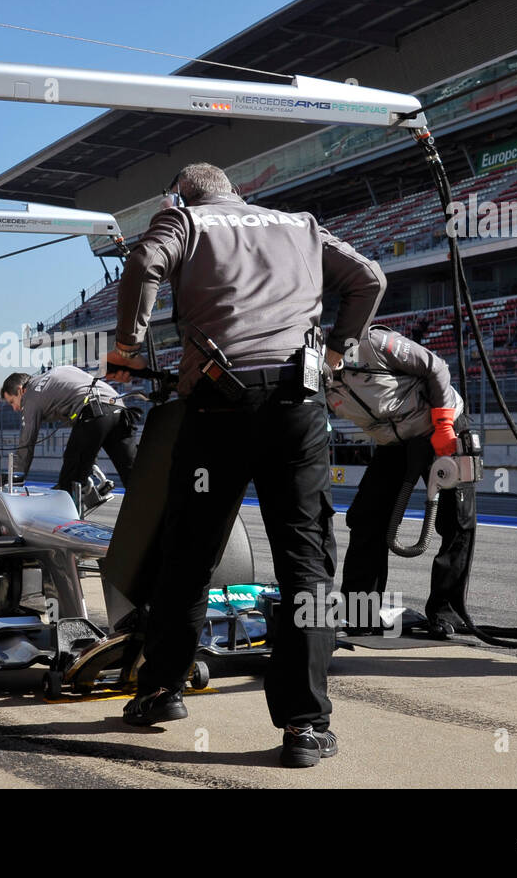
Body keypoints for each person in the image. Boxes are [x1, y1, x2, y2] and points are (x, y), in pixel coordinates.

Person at [104, 162, 385, 768]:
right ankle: (306, 725)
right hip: (298, 404)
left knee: (189, 551)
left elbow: (144, 265)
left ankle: (160, 690)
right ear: (237, 192)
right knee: (305, 560)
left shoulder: (184, 219)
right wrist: (337, 350)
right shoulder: (301, 224)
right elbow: (368, 278)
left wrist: (127, 347)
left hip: (216, 406)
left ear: (179, 192)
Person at [325, 325, 476, 639]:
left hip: (442, 425)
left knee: (456, 520)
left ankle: (446, 613)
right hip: (394, 443)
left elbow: (435, 366)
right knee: (366, 518)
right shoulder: (316, 380)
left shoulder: (372, 342)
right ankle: (359, 615)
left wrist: (444, 423)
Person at [0, 365, 137, 496]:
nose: (15, 408)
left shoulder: (30, 395)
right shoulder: (58, 372)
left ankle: (69, 511)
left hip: (93, 412)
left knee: (68, 484)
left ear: (20, 390)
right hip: (120, 408)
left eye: (12, 401)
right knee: (135, 476)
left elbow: (26, 441)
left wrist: (16, 478)